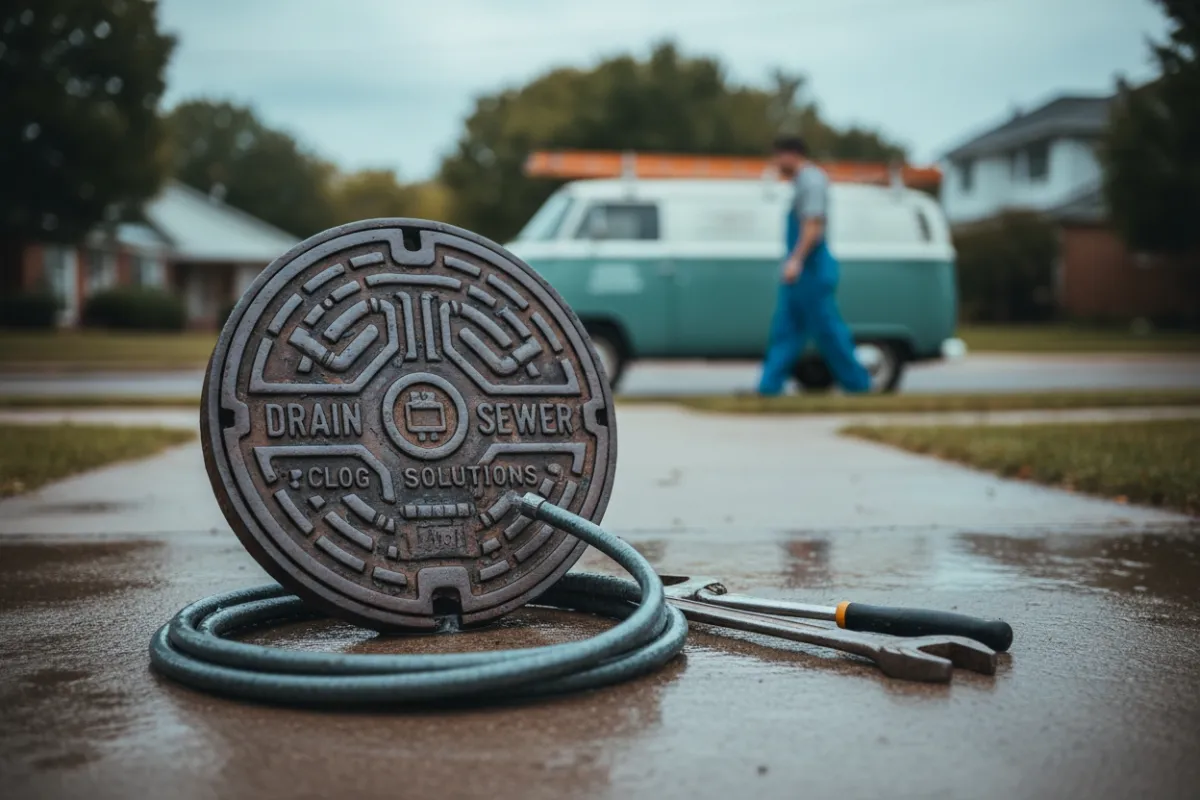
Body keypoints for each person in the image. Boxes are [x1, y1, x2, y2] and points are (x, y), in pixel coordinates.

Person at [757, 135, 871, 395]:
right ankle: (768, 388)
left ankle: (859, 385)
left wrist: (796, 260)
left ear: (790, 154)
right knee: (786, 330)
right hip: (802, 272)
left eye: (778, 157)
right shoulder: (801, 182)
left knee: (828, 331)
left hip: (812, 269)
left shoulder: (812, 181)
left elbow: (813, 225)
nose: (776, 163)